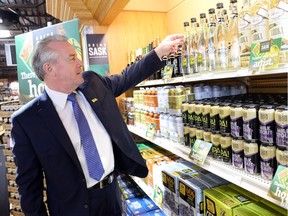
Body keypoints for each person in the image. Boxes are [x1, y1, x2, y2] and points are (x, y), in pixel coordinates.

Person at [11, 33, 184, 216]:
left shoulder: (92, 83)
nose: (80, 63)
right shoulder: (27, 120)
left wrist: (160, 52)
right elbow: (29, 186)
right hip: (72, 208)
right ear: (50, 68)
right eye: (72, 58)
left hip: (112, 195)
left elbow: (127, 78)